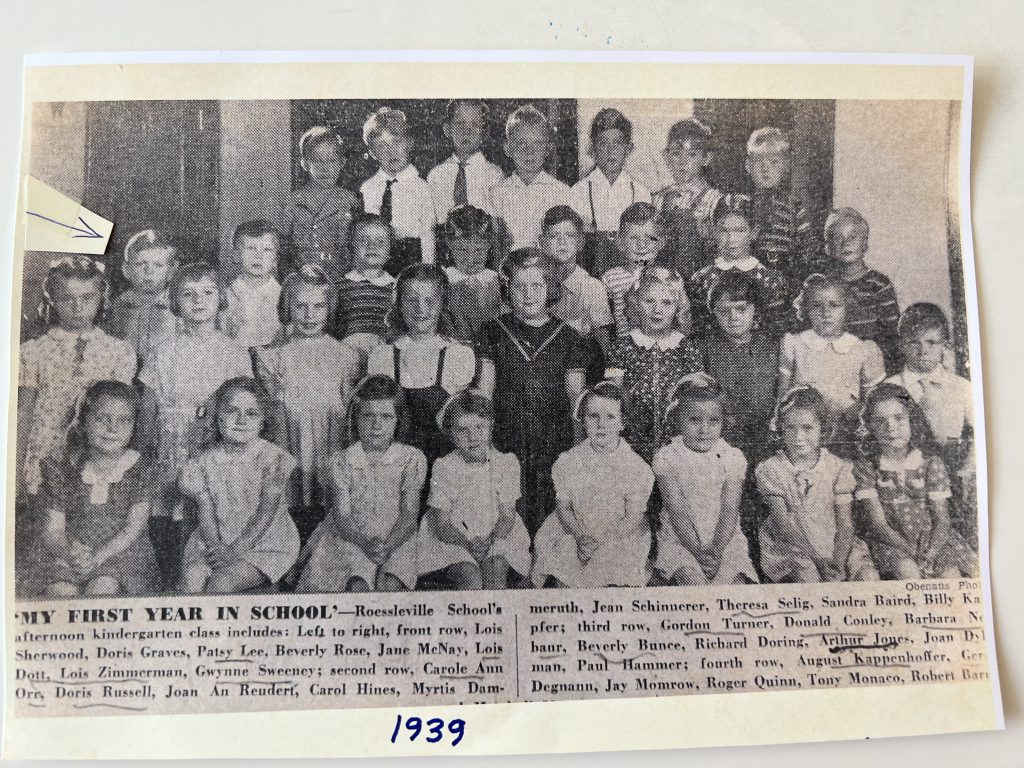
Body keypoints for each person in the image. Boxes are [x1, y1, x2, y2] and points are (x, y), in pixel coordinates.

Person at [137, 261, 253, 587]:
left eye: (207, 293)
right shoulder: (163, 352)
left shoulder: (234, 352)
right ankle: (172, 574)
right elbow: (148, 406)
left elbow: (243, 401)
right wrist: (145, 450)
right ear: (176, 302)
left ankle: (208, 568)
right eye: (189, 295)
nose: (199, 301)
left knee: (210, 507)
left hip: (215, 440)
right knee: (171, 508)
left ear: (220, 300)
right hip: (171, 441)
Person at [476, 249, 588, 535]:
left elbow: (576, 398)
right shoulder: (491, 331)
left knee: (552, 517)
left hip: (553, 437)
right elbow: (484, 394)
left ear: (550, 287)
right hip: (507, 436)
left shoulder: (570, 337)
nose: (528, 294)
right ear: (506, 289)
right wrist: (484, 441)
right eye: (519, 287)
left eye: (537, 285)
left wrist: (578, 450)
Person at [21, 380, 159, 598]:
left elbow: (134, 529)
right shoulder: (62, 468)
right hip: (73, 549)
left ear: (134, 426)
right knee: (61, 592)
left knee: (103, 589)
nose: (112, 428)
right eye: (102, 418)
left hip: (120, 552)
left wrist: (97, 558)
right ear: (83, 422)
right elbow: (53, 531)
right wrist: (71, 552)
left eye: (123, 421)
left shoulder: (139, 468)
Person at [254, 265, 361, 540]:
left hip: (331, 445)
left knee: (330, 516)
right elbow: (273, 419)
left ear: (330, 308)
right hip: (291, 444)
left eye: (318, 306)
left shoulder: (346, 356)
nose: (309, 315)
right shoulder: (272, 357)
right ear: (288, 307)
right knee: (292, 517)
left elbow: (349, 415)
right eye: (300, 306)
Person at [19, 256, 136, 499]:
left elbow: (121, 414)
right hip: (44, 454)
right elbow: (24, 413)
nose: (77, 306)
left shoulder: (119, 351)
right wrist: (15, 474)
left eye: (87, 298)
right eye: (66, 298)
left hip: (96, 457)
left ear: (101, 299)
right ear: (52, 301)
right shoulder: (33, 351)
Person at [296, 375, 425, 593]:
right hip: (352, 533)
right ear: (355, 418)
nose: (377, 424)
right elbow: (343, 516)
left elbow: (409, 515)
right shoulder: (342, 460)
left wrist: (389, 545)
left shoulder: (411, 458)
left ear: (398, 420)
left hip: (397, 532)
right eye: (368, 416)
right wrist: (364, 543)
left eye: (386, 416)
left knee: (391, 585)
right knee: (357, 584)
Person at [179, 377, 300, 594]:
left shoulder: (272, 459)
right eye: (232, 411)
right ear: (217, 417)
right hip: (214, 535)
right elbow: (205, 508)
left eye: (251, 413)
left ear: (263, 421)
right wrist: (216, 546)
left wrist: (233, 552)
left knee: (221, 583)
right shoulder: (204, 461)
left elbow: (266, 516)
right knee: (192, 578)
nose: (241, 419)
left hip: (264, 542)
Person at [532, 382, 654, 588]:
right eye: (593, 416)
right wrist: (580, 536)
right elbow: (564, 507)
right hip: (575, 528)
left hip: (619, 533)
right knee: (566, 571)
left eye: (610, 417)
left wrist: (602, 542)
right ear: (583, 419)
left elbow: (633, 516)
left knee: (606, 573)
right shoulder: (569, 461)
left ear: (622, 422)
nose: (601, 424)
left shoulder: (635, 467)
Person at [854, 382, 977, 579]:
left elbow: (942, 519)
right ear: (870, 427)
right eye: (880, 421)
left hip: (932, 539)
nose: (891, 428)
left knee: (950, 574)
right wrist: (910, 550)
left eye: (899, 418)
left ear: (912, 419)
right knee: (907, 571)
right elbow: (877, 524)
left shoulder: (930, 463)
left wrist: (930, 552)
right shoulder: (867, 467)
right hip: (891, 541)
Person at [756, 386, 876, 583]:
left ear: (822, 429)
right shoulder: (772, 469)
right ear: (780, 428)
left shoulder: (837, 467)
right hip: (793, 545)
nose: (798, 437)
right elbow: (784, 526)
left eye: (807, 428)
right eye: (790, 428)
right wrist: (819, 560)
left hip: (835, 542)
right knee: (808, 578)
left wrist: (837, 561)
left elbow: (845, 524)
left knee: (867, 576)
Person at [418, 391, 531, 589]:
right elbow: (442, 523)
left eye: (479, 427)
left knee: (496, 569)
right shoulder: (444, 466)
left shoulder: (506, 463)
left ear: (491, 427)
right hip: (453, 536)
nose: (472, 436)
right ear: (450, 434)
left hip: (497, 532)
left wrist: (489, 541)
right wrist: (467, 543)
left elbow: (507, 516)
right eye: (462, 430)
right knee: (469, 576)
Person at [653, 375, 758, 585]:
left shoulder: (732, 456)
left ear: (722, 421)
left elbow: (730, 508)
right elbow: (677, 510)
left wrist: (717, 550)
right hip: (682, 540)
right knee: (695, 586)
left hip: (724, 539)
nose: (704, 429)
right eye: (694, 420)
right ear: (678, 419)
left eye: (713, 421)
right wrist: (699, 553)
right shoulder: (667, 457)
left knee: (736, 588)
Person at [367, 264, 476, 465]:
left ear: (443, 303)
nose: (421, 309)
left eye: (430, 301)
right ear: (399, 304)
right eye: (412, 300)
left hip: (443, 469)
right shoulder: (382, 356)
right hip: (395, 468)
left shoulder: (459, 354)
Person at [886, 303, 976, 543]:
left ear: (945, 345)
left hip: (950, 472)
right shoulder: (890, 387)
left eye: (931, 342)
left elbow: (983, 435)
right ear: (901, 344)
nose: (922, 350)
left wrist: (966, 470)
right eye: (914, 342)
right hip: (904, 479)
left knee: (956, 535)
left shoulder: (962, 388)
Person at [605, 265, 702, 464]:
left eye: (667, 303)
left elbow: (697, 396)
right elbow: (611, 392)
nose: (657, 310)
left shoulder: (686, 347)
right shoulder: (621, 347)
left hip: (677, 448)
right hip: (632, 447)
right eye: (649, 301)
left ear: (678, 309)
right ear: (635, 304)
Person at [778, 273, 885, 448]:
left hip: (847, 434)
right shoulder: (795, 344)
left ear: (847, 308)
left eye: (834, 305)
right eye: (817, 306)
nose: (825, 313)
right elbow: (784, 395)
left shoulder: (863, 349)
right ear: (806, 309)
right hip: (803, 434)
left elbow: (871, 402)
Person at [699, 270, 779, 461]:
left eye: (741, 309)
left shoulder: (771, 346)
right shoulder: (706, 348)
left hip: (764, 438)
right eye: (724, 311)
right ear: (714, 312)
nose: (733, 317)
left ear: (755, 309)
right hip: (721, 439)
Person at [688, 194, 790, 338]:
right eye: (724, 231)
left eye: (739, 230)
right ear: (714, 232)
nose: (731, 239)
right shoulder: (701, 278)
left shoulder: (770, 279)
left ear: (753, 233)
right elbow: (697, 330)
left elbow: (777, 331)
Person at [569, 108, 651, 275]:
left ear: (629, 148)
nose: (610, 150)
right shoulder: (579, 191)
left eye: (618, 142)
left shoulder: (641, 192)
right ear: (592, 149)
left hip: (630, 275)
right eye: (603, 143)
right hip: (591, 273)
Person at [824, 207, 900, 372]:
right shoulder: (825, 285)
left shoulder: (878, 284)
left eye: (853, 237)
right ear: (828, 248)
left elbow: (891, 334)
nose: (846, 243)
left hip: (870, 362)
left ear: (865, 244)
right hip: (835, 362)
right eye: (837, 238)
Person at [360, 107, 435, 272]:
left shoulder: (421, 187)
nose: (391, 151)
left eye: (397, 142)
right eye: (381, 146)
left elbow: (427, 235)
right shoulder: (367, 189)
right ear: (372, 153)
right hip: (376, 263)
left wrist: (429, 271)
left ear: (409, 143)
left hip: (411, 260)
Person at [745, 126, 821, 289]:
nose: (765, 169)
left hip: (784, 273)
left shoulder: (793, 206)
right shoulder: (744, 205)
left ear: (786, 167)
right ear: (748, 167)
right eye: (759, 162)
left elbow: (806, 241)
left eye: (774, 162)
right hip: (750, 274)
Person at [602, 202, 693, 339]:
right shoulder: (610, 278)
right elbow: (604, 321)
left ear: (661, 241)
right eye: (633, 238)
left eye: (650, 238)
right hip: (626, 350)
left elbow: (683, 316)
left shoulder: (670, 276)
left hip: (662, 348)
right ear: (620, 242)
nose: (642, 245)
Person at [541, 205, 614, 374]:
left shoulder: (591, 287)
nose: (562, 241)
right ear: (542, 242)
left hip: (580, 369)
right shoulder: (535, 283)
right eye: (553, 236)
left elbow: (604, 339)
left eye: (569, 235)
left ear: (581, 242)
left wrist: (613, 379)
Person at [490, 104, 571, 251]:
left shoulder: (562, 193)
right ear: (507, 148)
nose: (529, 151)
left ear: (548, 148)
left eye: (537, 143)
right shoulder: (496, 195)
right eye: (521, 143)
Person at [285, 125, 359, 281]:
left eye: (331, 161)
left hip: (340, 280)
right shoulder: (293, 201)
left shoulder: (350, 201)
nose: (325, 168)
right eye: (317, 161)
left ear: (342, 163)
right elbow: (285, 248)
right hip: (302, 279)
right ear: (305, 164)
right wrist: (299, 267)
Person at [655, 118, 722, 272]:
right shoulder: (658, 199)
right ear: (666, 156)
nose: (683, 162)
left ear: (706, 158)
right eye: (676, 153)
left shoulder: (714, 201)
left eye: (692, 155)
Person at [333, 213, 398, 367]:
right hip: (346, 358)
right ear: (352, 245)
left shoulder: (397, 287)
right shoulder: (338, 286)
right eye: (364, 240)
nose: (372, 246)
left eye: (380, 242)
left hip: (384, 360)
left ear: (390, 250)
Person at [106, 229, 179, 361]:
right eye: (140, 264)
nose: (149, 271)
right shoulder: (119, 305)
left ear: (171, 271)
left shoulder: (177, 306)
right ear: (126, 270)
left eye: (158, 265)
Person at [427, 99, 505, 221]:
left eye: (474, 124)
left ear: (484, 133)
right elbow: (431, 222)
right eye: (459, 123)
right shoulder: (436, 175)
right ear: (447, 129)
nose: (466, 131)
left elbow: (499, 222)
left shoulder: (495, 175)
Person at [440, 204, 502, 344]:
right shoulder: (442, 279)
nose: (470, 259)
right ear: (449, 243)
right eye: (462, 250)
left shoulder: (495, 280)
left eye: (479, 251)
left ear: (489, 245)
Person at [221, 220, 284, 350]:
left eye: (266, 249)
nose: (258, 256)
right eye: (250, 248)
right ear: (236, 256)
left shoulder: (283, 296)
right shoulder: (226, 296)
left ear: (275, 260)